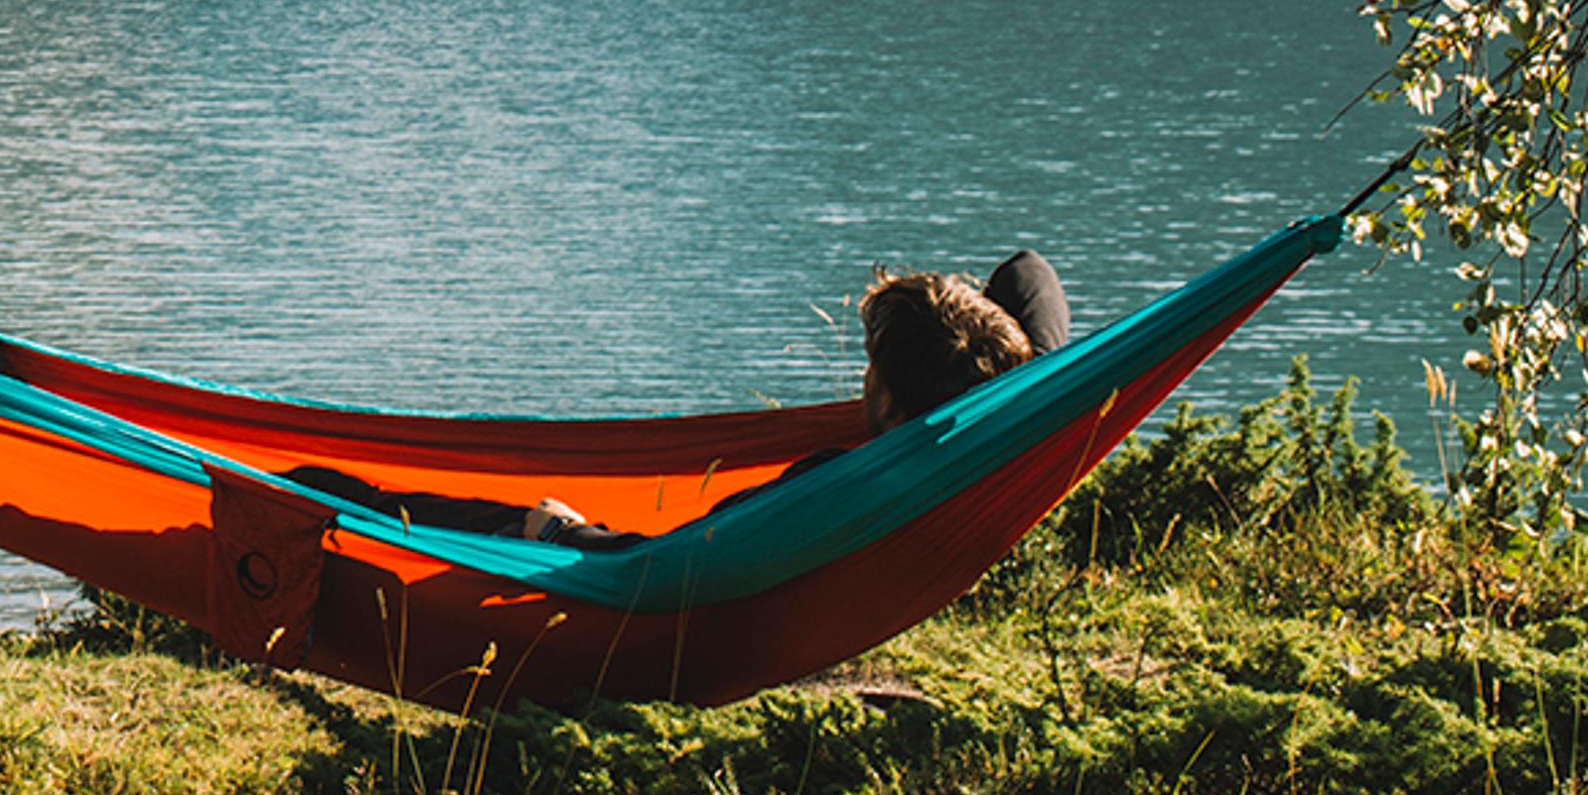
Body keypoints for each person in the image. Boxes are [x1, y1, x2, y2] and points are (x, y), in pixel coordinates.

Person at [281, 249, 1068, 549]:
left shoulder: (831, 482)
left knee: (360, 498)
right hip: (974, 404)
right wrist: (1012, 372)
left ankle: (292, 493)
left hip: (603, 555)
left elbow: (672, 572)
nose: (861, 381)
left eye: (870, 370)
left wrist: (562, 533)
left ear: (893, 403)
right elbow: (1030, 275)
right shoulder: (999, 428)